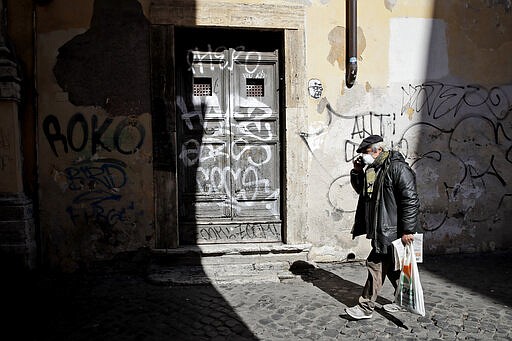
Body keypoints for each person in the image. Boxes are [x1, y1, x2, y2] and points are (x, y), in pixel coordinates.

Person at [345, 135, 420, 320]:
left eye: (365, 152)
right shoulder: (372, 169)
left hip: (392, 229)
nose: (363, 156)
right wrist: (357, 171)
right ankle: (405, 301)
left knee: (375, 264)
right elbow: (363, 192)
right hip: (379, 228)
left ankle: (365, 307)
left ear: (377, 150)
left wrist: (408, 230)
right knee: (394, 268)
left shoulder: (397, 168)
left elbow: (410, 200)